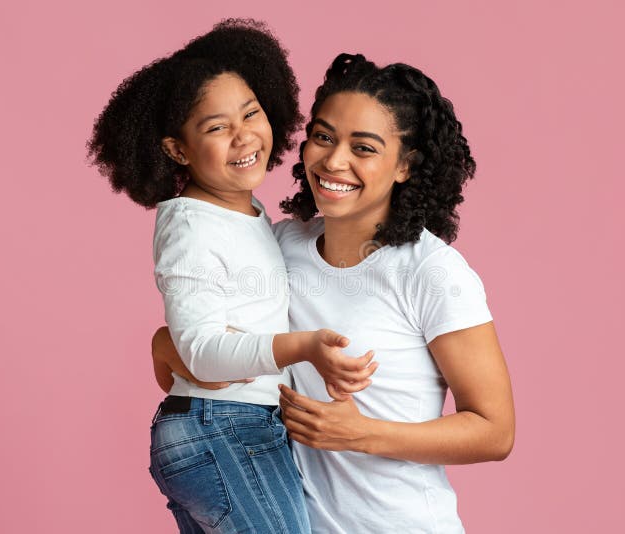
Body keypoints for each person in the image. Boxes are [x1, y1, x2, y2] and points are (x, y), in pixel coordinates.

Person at [156, 52, 515, 533]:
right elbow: (212, 345)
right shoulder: (281, 245)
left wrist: (362, 434)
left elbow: (494, 431)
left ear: (405, 165)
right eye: (323, 137)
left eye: (363, 148)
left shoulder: (432, 272)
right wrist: (165, 343)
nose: (334, 160)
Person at [88, 21, 377, 533]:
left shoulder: (247, 215)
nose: (244, 136)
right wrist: (304, 346)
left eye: (251, 113)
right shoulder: (191, 225)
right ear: (178, 150)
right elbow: (202, 353)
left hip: (227, 428)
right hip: (223, 429)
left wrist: (163, 343)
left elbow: (187, 345)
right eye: (216, 127)